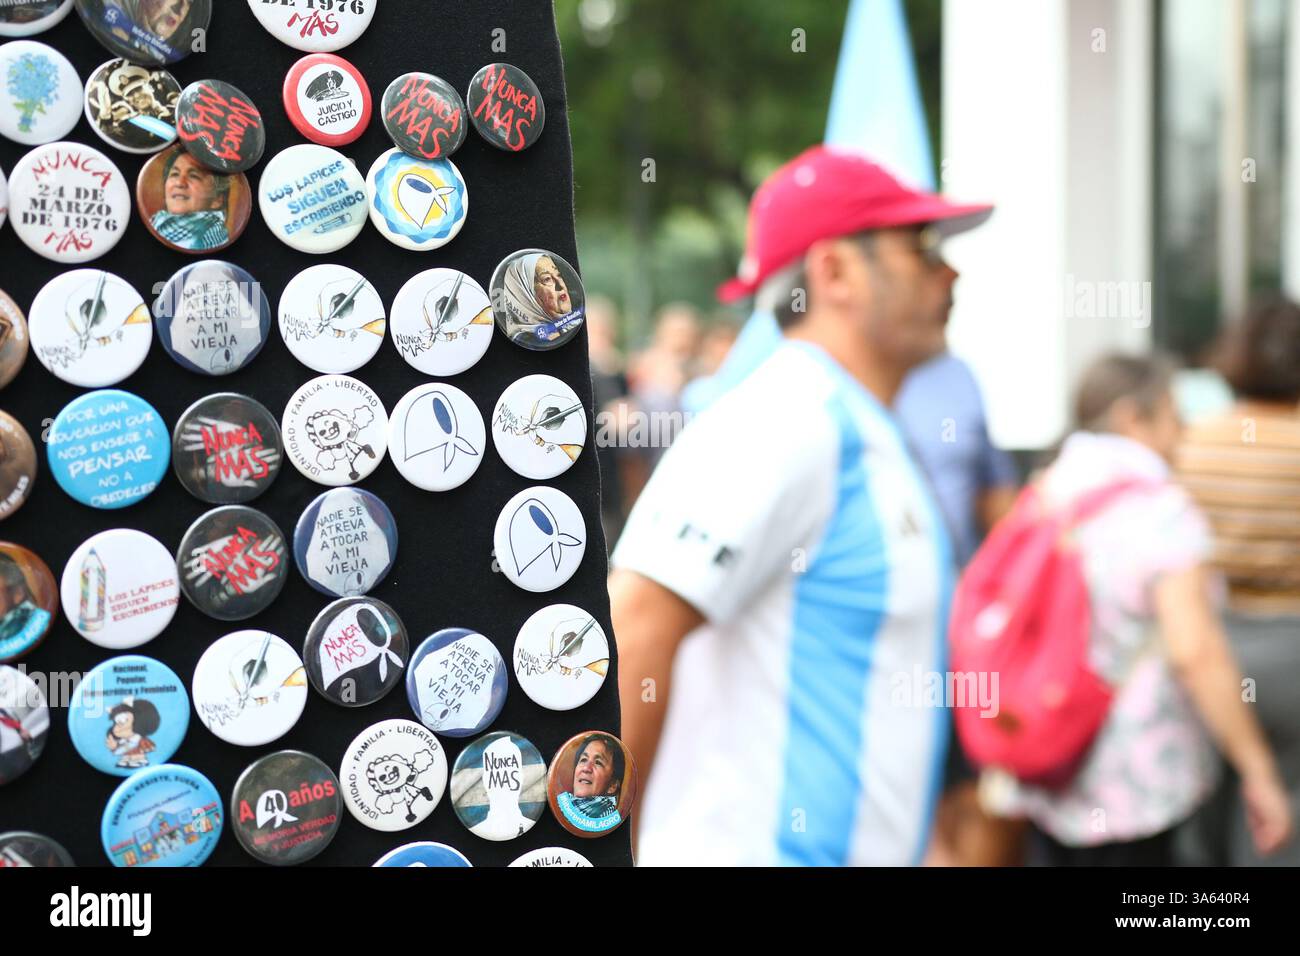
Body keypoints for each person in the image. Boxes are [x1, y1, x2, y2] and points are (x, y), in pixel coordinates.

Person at [611, 145, 994, 865]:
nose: (950, 272)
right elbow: (633, 630)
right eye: (922, 250)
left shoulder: (851, 420)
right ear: (835, 271)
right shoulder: (787, 419)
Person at [980, 353, 1292, 865]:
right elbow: (1197, 653)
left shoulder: (1044, 491)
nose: (1184, 430)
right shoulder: (1158, 510)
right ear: (1132, 418)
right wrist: (1258, 770)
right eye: (1173, 414)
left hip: (1047, 755)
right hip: (1136, 779)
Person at [1178, 298, 1300, 865]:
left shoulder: (1193, 443)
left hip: (1209, 648)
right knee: (1282, 821)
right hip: (1293, 652)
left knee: (1204, 819)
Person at [151, 149, 231, 252]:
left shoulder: (208, 237)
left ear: (217, 199)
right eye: (175, 174)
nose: (180, 183)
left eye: (194, 176)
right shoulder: (157, 221)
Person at [499, 253, 584, 346]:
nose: (561, 285)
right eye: (547, 279)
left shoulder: (574, 323)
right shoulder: (527, 340)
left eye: (559, 275)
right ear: (525, 293)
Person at [556, 733, 625, 831]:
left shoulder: (602, 819)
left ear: (612, 785)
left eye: (598, 762)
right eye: (583, 759)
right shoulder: (564, 805)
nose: (586, 768)